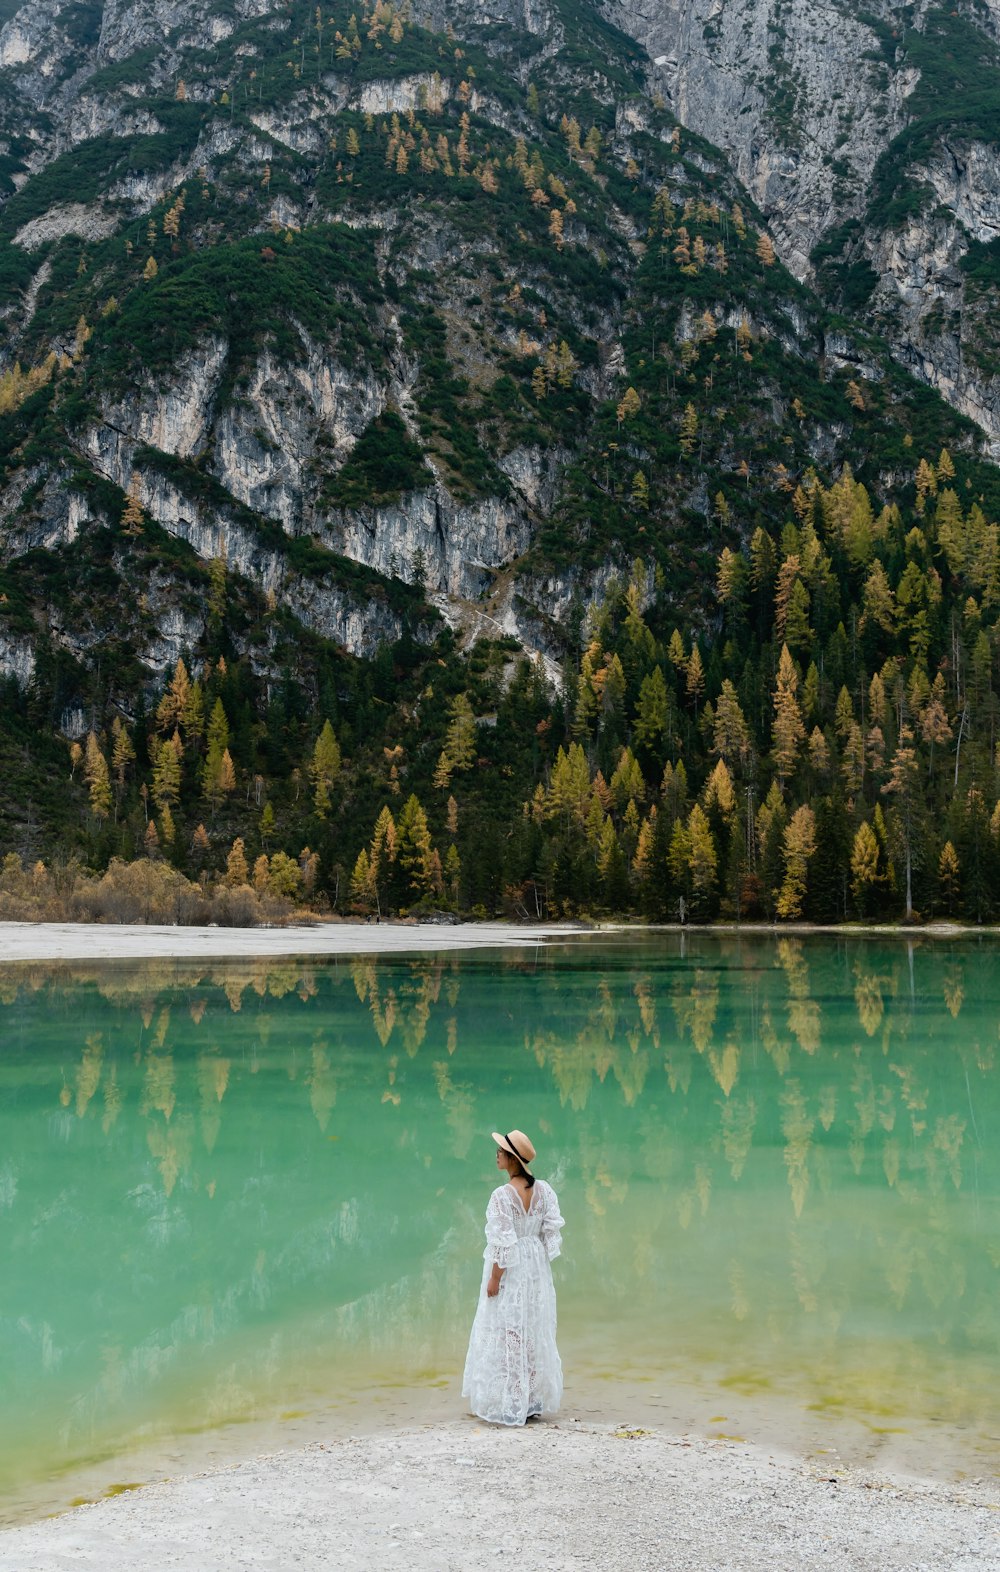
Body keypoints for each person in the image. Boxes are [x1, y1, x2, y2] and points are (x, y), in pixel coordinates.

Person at [462, 1128, 564, 1426]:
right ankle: (530, 1399)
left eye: (501, 1151)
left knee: (508, 1327)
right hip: (535, 1265)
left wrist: (495, 1278)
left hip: (514, 1265)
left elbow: (503, 1242)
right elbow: (548, 1232)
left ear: (512, 1159)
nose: (496, 1155)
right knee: (532, 1326)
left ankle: (513, 1400)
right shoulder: (544, 1190)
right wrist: (537, 1262)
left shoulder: (502, 1196)